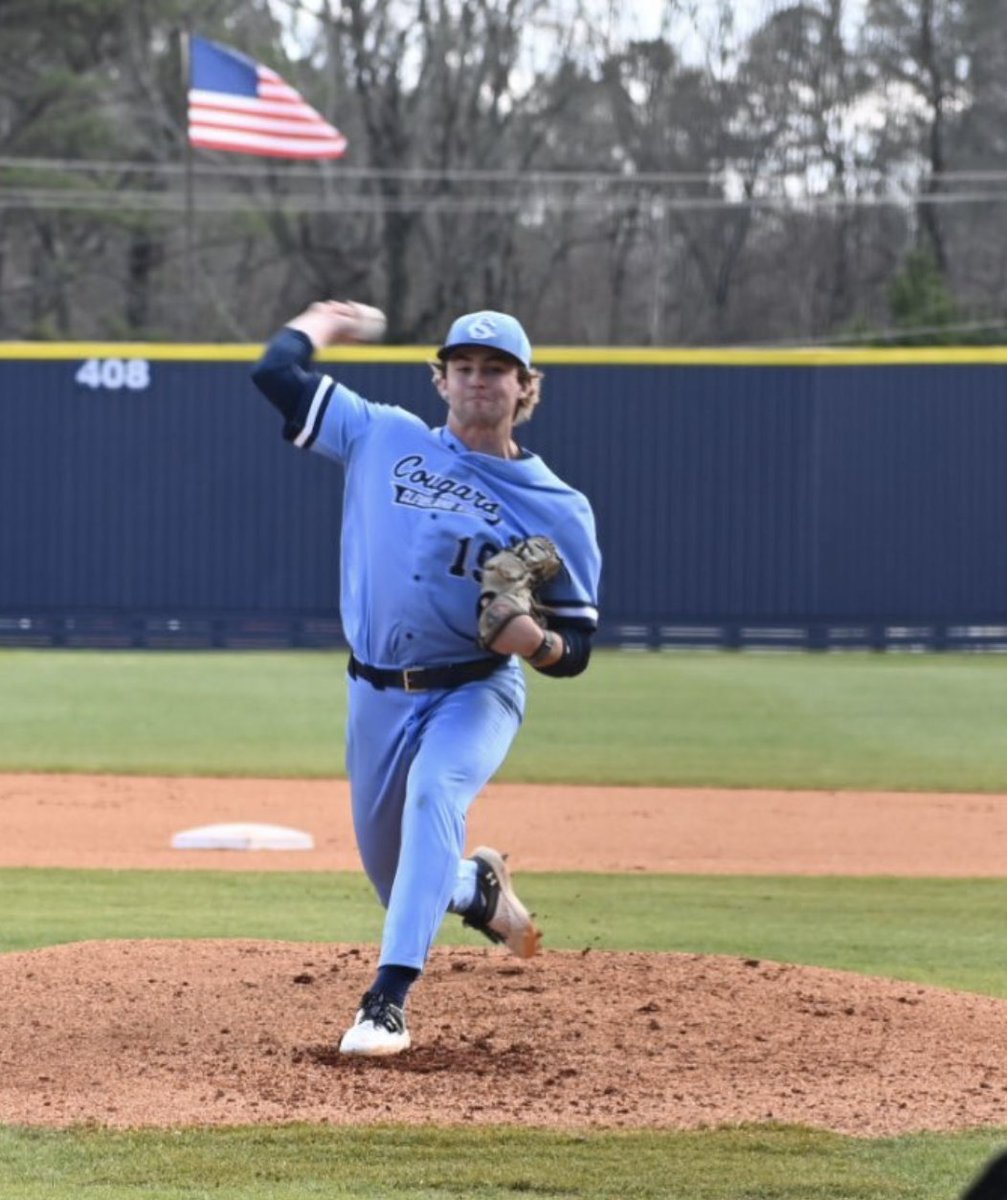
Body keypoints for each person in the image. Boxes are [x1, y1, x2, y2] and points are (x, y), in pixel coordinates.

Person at [251, 302, 602, 1056]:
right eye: (464, 368)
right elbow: (275, 372)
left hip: (474, 689)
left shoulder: (557, 506)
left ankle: (386, 1002)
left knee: (435, 794)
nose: (479, 381)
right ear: (441, 381)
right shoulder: (383, 435)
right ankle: (474, 889)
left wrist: (534, 642)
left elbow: (576, 645)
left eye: (496, 370)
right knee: (398, 879)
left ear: (524, 388)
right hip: (373, 693)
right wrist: (320, 321)